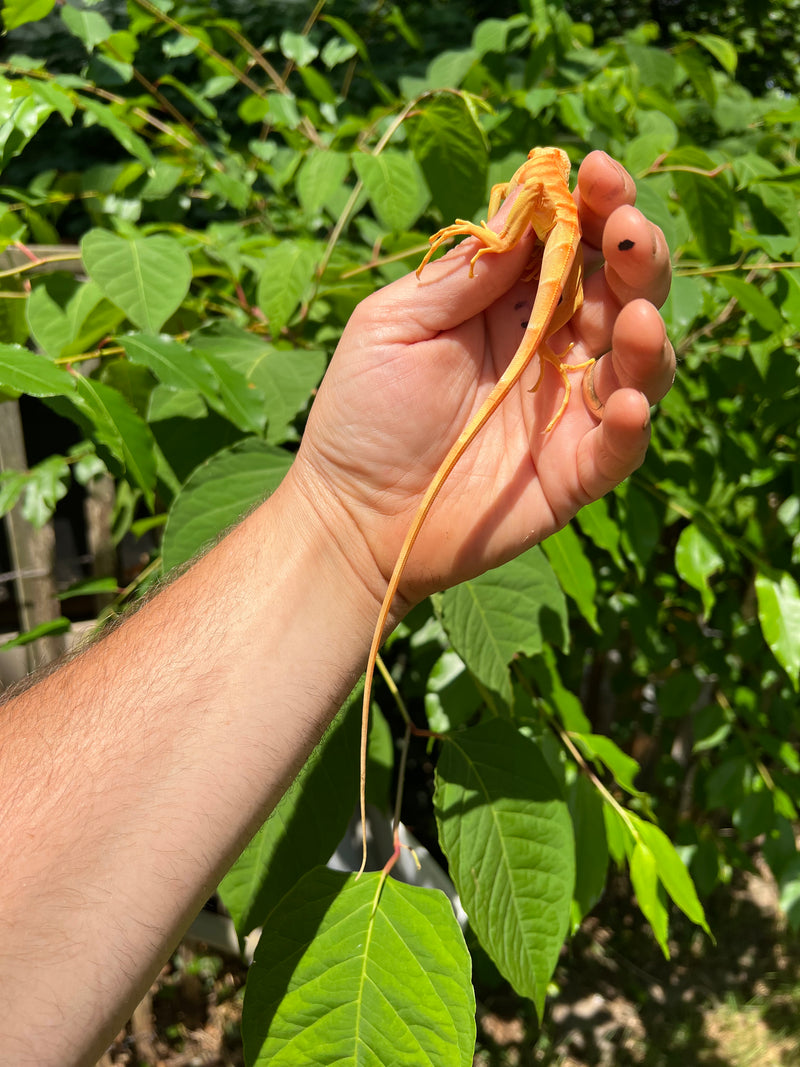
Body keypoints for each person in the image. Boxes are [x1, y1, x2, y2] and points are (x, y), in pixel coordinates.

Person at [0, 150, 673, 1065]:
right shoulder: (542, 210)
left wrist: (344, 533)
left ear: (535, 179)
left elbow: (508, 229)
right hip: (539, 328)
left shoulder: (538, 203)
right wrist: (344, 525)